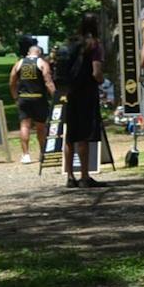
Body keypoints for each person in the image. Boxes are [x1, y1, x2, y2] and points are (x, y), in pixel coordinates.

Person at [61, 15, 106, 188]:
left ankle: (70, 177)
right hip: (87, 92)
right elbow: (96, 72)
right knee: (84, 135)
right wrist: (101, 81)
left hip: (71, 91)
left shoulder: (72, 42)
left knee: (70, 135)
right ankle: (85, 176)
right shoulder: (94, 44)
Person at [9, 38, 56, 163]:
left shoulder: (19, 63)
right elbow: (48, 82)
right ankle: (42, 153)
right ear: (39, 53)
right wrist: (55, 97)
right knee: (41, 126)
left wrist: (15, 97)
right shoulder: (42, 63)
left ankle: (25, 155)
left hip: (24, 98)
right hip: (39, 98)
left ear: (28, 53)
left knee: (24, 125)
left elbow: (12, 81)